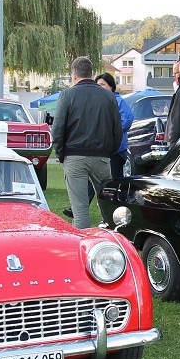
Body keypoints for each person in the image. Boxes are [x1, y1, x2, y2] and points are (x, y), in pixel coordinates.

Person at [53, 56, 122, 229]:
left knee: (80, 209)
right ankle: (114, 239)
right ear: (91, 73)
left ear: (74, 74)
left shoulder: (67, 95)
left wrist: (61, 154)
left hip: (74, 156)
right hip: (101, 157)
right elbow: (117, 130)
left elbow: (58, 129)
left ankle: (83, 248)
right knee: (108, 205)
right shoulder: (108, 96)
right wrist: (109, 152)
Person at [94, 72, 133, 179]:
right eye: (98, 85)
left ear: (111, 86)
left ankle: (118, 196)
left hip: (117, 149)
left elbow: (127, 119)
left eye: (103, 84)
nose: (100, 88)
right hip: (101, 149)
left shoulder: (118, 101)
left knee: (116, 178)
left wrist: (111, 133)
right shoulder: (98, 102)